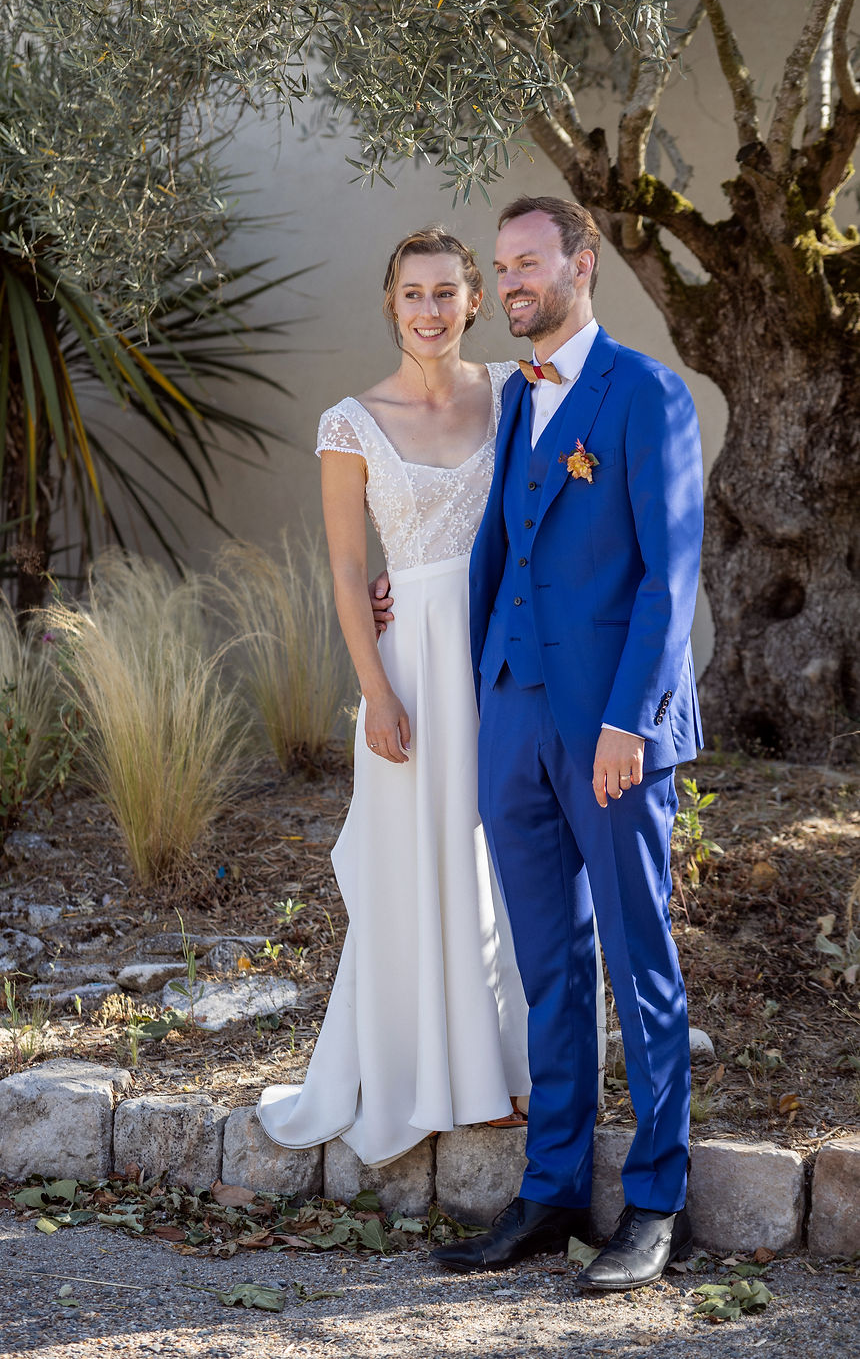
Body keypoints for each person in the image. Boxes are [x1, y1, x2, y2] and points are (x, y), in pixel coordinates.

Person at [426, 196, 704, 1290]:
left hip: (608, 729)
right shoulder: (514, 397)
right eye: (500, 268)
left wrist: (630, 721)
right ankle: (550, 1194)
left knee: (639, 962)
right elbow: (499, 549)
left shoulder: (646, 392)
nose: (509, 285)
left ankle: (655, 1201)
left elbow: (668, 578)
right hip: (514, 716)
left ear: (581, 265)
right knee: (546, 966)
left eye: (527, 264)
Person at [257, 228, 536, 1168]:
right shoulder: (351, 422)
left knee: (508, 855)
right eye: (413, 293)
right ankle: (437, 1074)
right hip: (409, 662)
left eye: (446, 292)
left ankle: (510, 1066)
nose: (429, 309)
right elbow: (348, 570)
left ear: (474, 301)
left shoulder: (515, 392)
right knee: (420, 858)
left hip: (503, 646)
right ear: (392, 304)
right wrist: (374, 692)